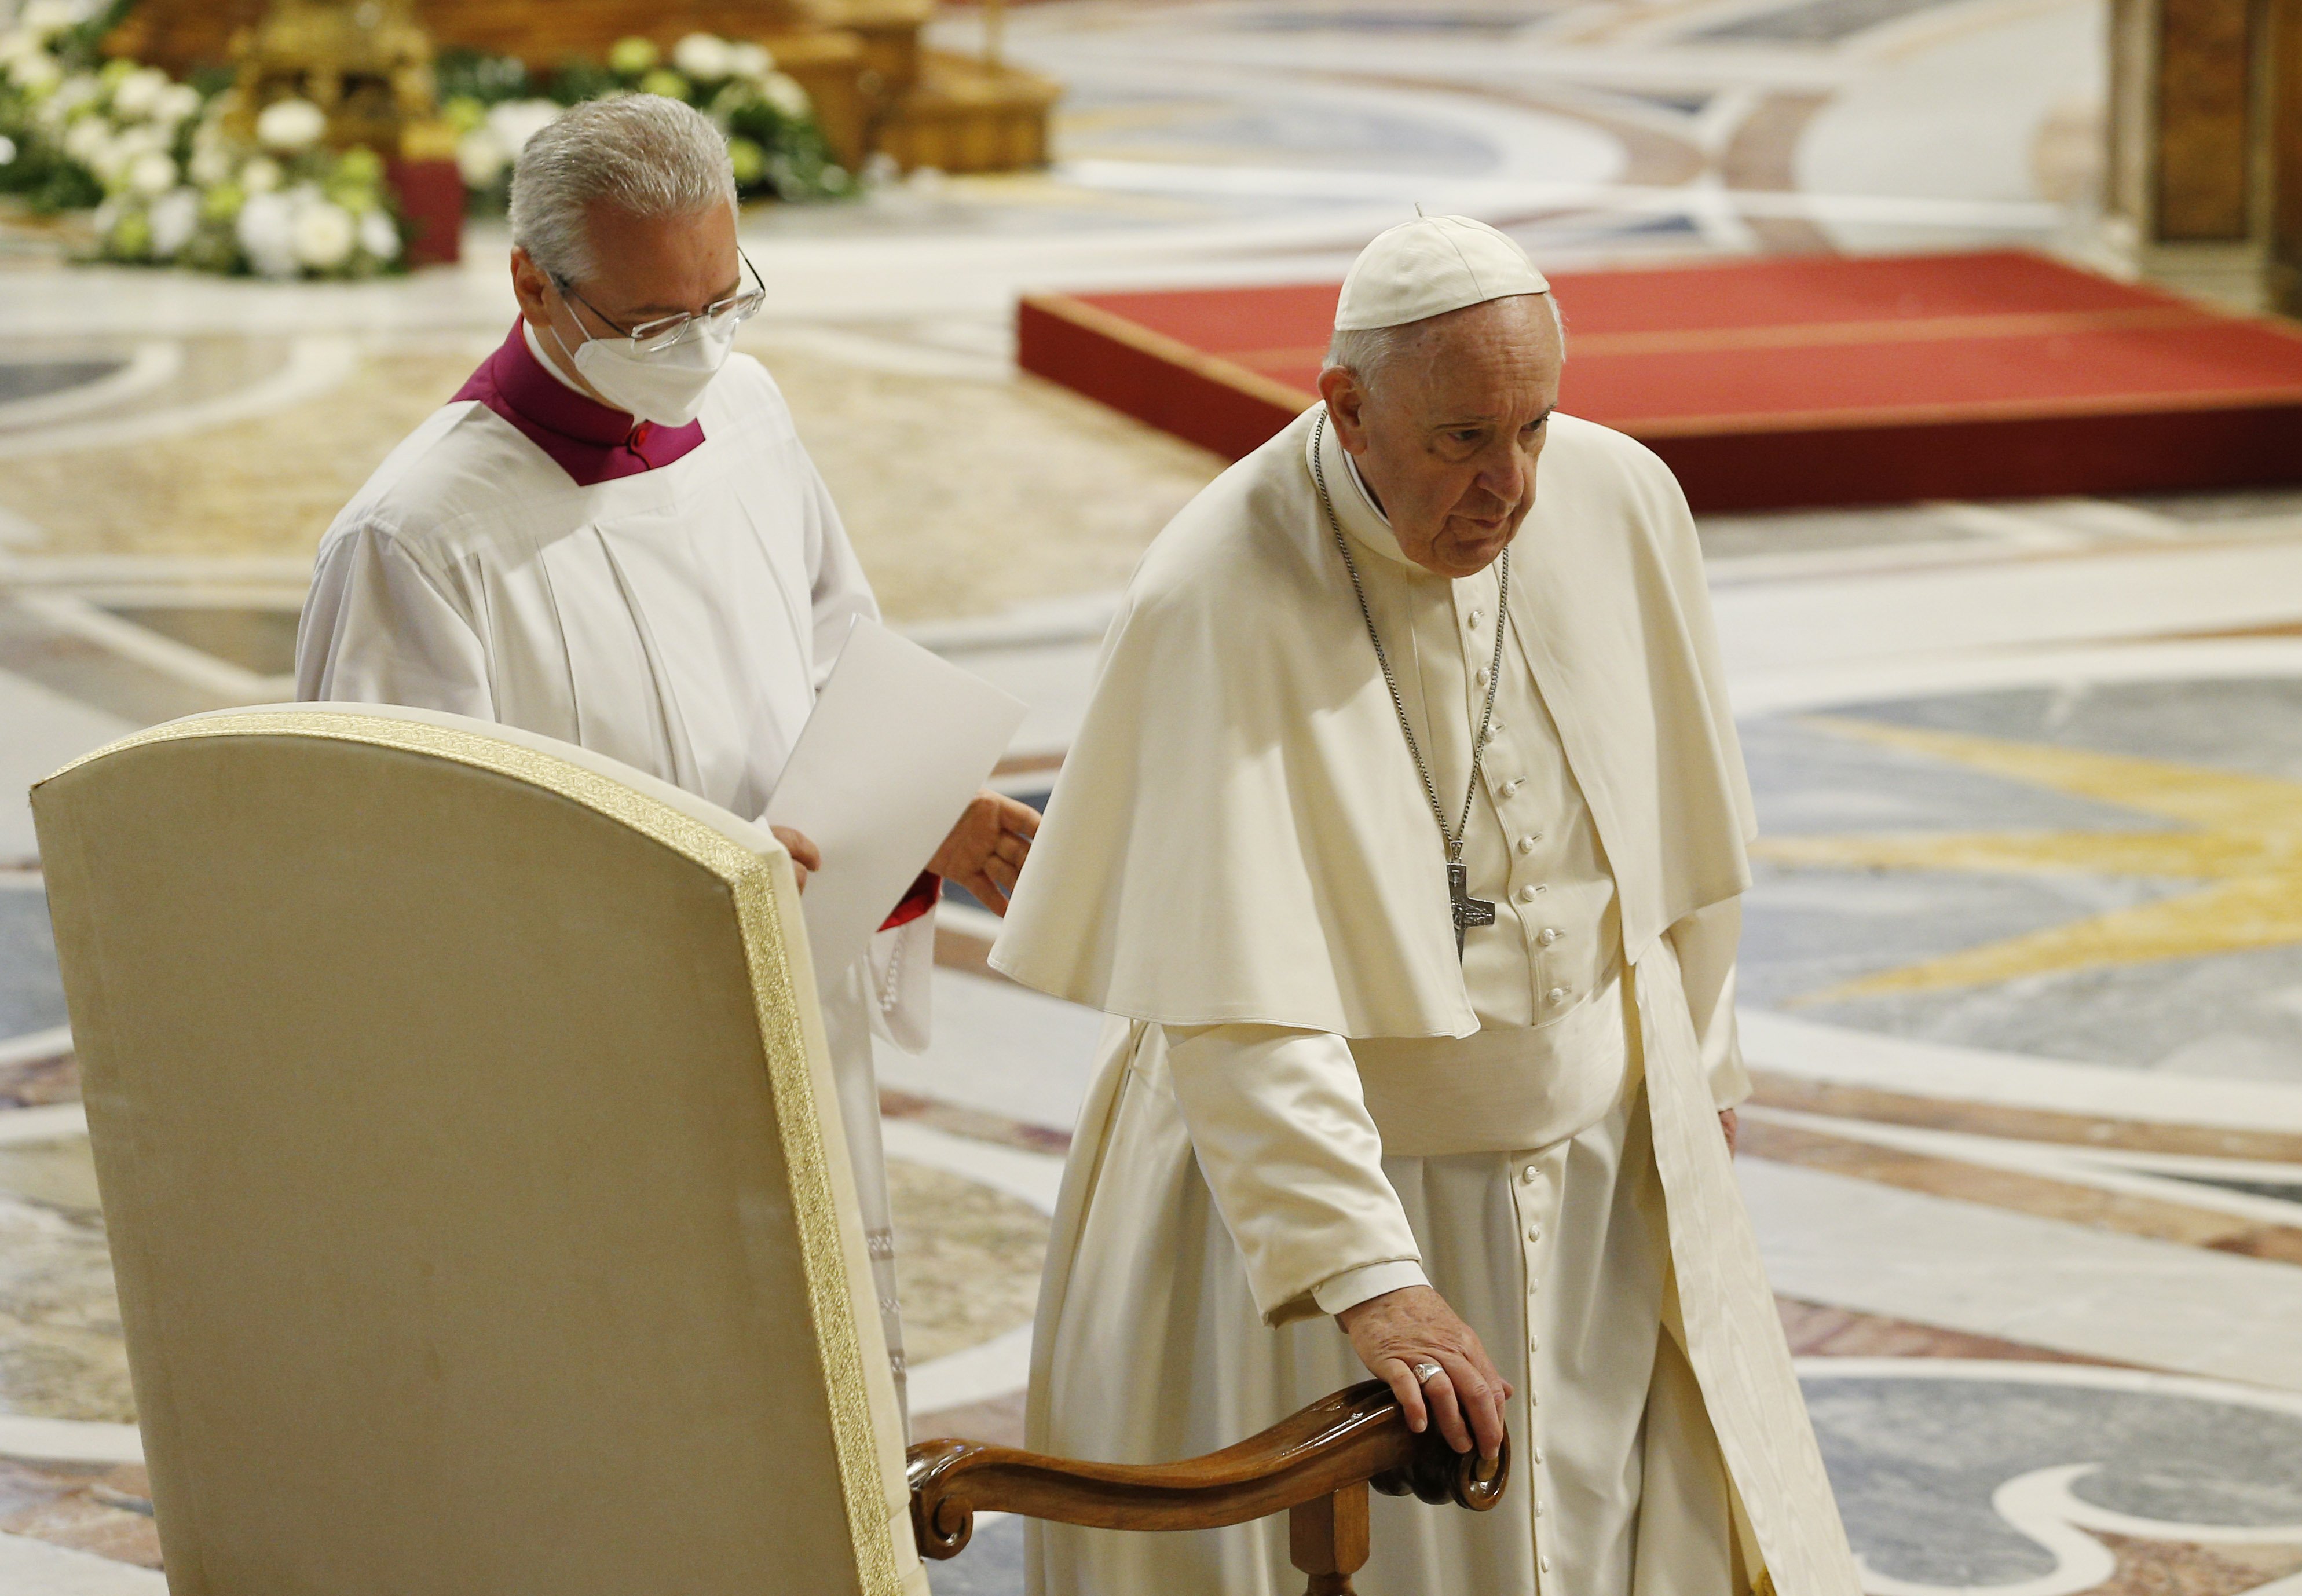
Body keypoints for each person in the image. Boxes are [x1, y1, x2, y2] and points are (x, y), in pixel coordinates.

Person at [990, 216, 1858, 1593]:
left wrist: (1697, 1068)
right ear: (1344, 406)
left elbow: (1682, 843)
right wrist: (1364, 1274)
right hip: (1326, 1208)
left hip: (1589, 1193)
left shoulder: (1618, 499)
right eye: (1462, 439)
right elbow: (1231, 1004)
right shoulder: (1214, 591)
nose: (1510, 486)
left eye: (1535, 425)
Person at [294, 93, 1038, 1409]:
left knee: (811, 1412)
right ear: (532, 280)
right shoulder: (417, 540)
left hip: (792, 1018)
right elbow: (387, 890)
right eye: (651, 322)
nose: (696, 350)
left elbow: (831, 657)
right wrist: (682, 887)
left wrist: (923, 804)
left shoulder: (748, 413)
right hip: (589, 1090)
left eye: (723, 301)